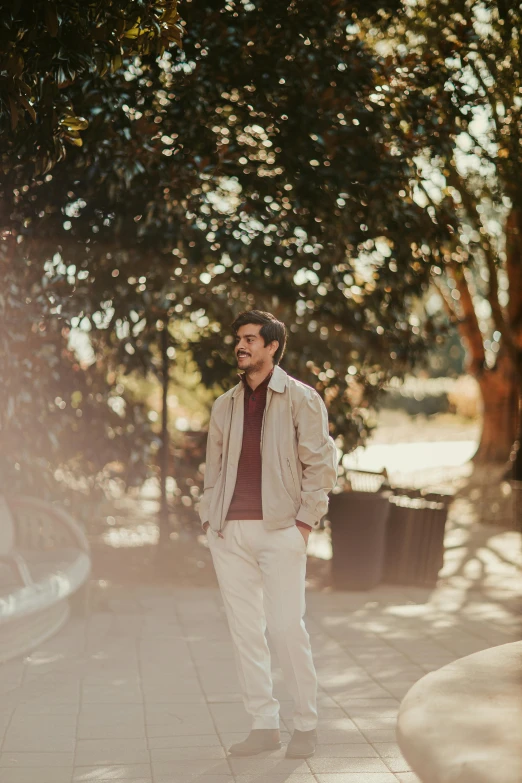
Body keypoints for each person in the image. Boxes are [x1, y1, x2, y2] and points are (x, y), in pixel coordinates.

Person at [200, 310, 338, 759]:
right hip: (229, 532)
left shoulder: (301, 398)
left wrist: (304, 524)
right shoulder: (225, 405)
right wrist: (209, 520)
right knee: (245, 632)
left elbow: (320, 466)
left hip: (281, 529)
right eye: (238, 338)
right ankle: (263, 724)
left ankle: (306, 723)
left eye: (251, 339)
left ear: (273, 346)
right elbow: (213, 472)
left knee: (283, 627)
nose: (241, 346)